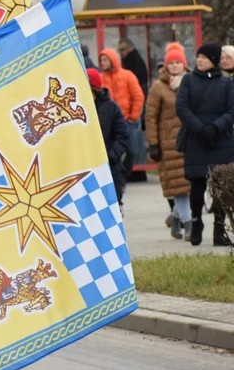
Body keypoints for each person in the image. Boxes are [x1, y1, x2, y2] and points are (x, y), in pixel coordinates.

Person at [175, 43, 234, 247]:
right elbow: (182, 108)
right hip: (196, 140)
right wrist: (200, 128)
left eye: (204, 57)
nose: (199, 60)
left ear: (214, 60)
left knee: (221, 187)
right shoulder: (188, 80)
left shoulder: (226, 83)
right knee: (197, 185)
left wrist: (216, 127)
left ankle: (219, 229)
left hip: (222, 142)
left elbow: (231, 110)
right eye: (198, 56)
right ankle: (196, 222)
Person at [145, 45, 192, 239]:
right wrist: (154, 143)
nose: (174, 66)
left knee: (190, 184)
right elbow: (150, 117)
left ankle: (175, 218)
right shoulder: (158, 87)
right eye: (170, 63)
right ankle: (189, 223)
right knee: (179, 186)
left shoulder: (192, 82)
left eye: (177, 62)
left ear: (184, 64)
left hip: (191, 141)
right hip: (169, 144)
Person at [88, 68, 131, 208]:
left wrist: (111, 156)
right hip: (86, 171)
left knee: (112, 210)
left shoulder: (111, 108)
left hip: (110, 168)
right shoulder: (74, 108)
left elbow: (122, 136)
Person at [99, 48, 145, 180]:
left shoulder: (127, 75)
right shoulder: (102, 78)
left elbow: (138, 96)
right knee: (111, 151)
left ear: (113, 60)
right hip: (110, 122)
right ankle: (115, 177)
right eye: (101, 60)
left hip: (127, 120)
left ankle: (124, 176)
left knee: (132, 150)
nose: (102, 63)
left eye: (105, 60)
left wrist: (133, 117)